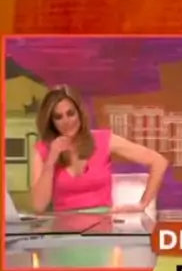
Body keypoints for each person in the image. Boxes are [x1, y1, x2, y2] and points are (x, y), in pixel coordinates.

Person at [30, 85, 169, 214]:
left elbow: (159, 161)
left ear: (80, 114)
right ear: (51, 122)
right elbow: (39, 206)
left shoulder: (102, 140)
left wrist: (143, 204)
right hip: (63, 226)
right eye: (58, 117)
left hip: (102, 225)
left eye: (71, 113)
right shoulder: (43, 150)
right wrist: (51, 159)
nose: (67, 121)